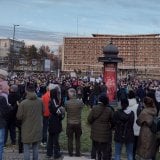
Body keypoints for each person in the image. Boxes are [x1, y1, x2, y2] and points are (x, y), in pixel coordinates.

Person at [16, 84, 43, 160]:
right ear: (35, 91)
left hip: (26, 128)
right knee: (35, 148)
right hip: (37, 126)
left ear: (26, 91)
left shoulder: (23, 103)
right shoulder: (40, 101)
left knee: (26, 148)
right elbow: (43, 112)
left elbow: (19, 116)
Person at [88, 94, 113, 160]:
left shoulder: (94, 108)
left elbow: (89, 119)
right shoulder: (109, 110)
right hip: (105, 132)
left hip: (95, 132)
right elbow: (112, 121)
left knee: (95, 147)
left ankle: (95, 157)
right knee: (104, 149)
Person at [46, 85, 65, 159]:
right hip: (55, 121)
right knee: (55, 139)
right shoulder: (54, 101)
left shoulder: (52, 100)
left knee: (51, 138)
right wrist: (61, 113)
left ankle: (49, 153)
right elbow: (58, 111)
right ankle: (56, 153)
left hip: (52, 121)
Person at [65, 88, 84, 157]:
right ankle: (77, 153)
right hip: (77, 123)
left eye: (68, 93)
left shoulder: (67, 102)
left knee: (70, 139)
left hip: (70, 123)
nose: (67, 94)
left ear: (71, 94)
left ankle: (70, 153)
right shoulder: (80, 102)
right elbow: (81, 108)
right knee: (77, 139)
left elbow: (66, 110)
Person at [128, 90, 140, 160]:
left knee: (129, 145)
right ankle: (133, 156)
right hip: (137, 127)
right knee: (135, 144)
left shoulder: (125, 105)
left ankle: (131, 156)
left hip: (128, 128)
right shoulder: (138, 105)